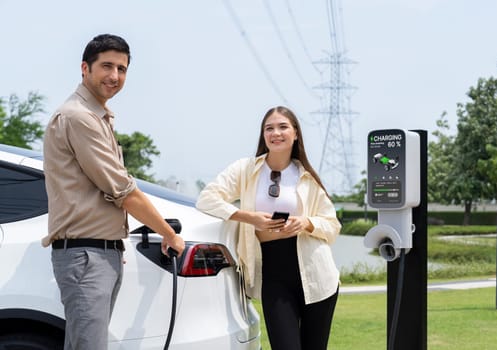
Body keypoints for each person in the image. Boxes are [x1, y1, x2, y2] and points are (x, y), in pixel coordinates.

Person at [42, 34, 185, 350]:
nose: (115, 76)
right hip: (85, 255)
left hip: (98, 253)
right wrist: (168, 234)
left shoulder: (97, 117)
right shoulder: (79, 118)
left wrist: (110, 244)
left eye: (122, 69)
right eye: (107, 66)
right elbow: (123, 190)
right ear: (85, 68)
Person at [196, 106, 341, 350]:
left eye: (283, 127)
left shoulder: (307, 177)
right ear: (263, 135)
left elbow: (332, 225)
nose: (276, 133)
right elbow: (207, 199)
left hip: (316, 274)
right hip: (273, 274)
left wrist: (305, 222)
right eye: (269, 128)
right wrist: (250, 217)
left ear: (295, 133)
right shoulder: (245, 169)